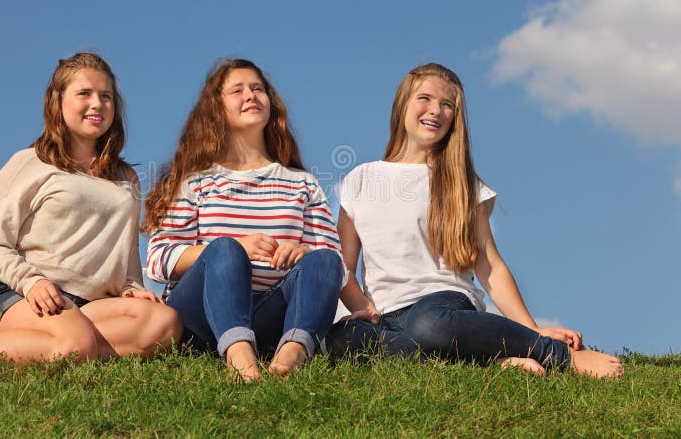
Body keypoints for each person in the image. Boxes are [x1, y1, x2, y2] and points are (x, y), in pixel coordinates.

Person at [0, 52, 182, 368]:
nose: (97, 104)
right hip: (24, 294)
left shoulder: (126, 178)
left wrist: (132, 290)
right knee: (74, 344)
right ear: (59, 102)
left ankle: (59, 349)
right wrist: (32, 282)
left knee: (165, 323)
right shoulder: (29, 163)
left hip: (91, 306)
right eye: (84, 93)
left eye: (105, 96)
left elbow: (127, 255)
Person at [326, 63, 623, 378]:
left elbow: (488, 263)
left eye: (447, 105)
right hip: (385, 316)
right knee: (338, 339)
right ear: (403, 106)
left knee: (428, 326)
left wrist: (533, 330)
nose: (435, 110)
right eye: (424, 99)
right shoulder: (361, 179)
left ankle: (558, 357)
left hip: (443, 306)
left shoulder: (462, 183)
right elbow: (343, 264)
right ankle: (486, 360)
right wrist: (364, 307)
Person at [142, 58, 344, 381]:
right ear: (217, 109)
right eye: (237, 90)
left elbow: (336, 266)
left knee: (326, 262)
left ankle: (291, 351)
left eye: (257, 89)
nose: (250, 95)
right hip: (202, 320)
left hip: (270, 318)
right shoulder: (196, 182)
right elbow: (157, 259)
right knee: (225, 249)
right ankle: (239, 357)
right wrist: (233, 248)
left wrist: (303, 253)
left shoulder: (303, 183)